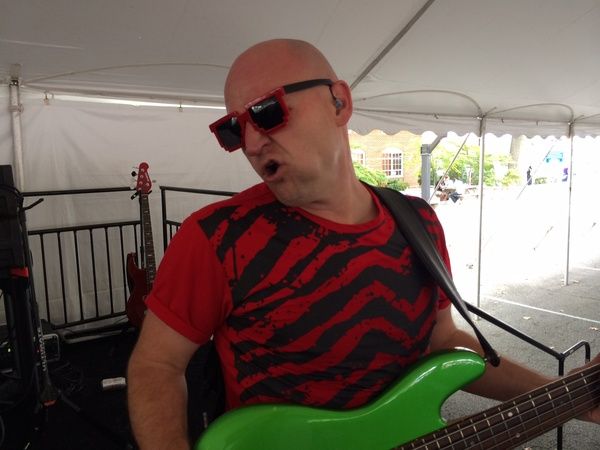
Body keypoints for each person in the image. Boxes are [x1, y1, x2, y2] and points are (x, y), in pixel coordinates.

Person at [127, 39, 600, 450]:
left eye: (267, 112)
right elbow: (156, 365)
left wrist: (572, 395)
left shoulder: (419, 223)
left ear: (339, 103)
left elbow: (442, 343)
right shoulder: (216, 236)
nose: (251, 143)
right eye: (233, 130)